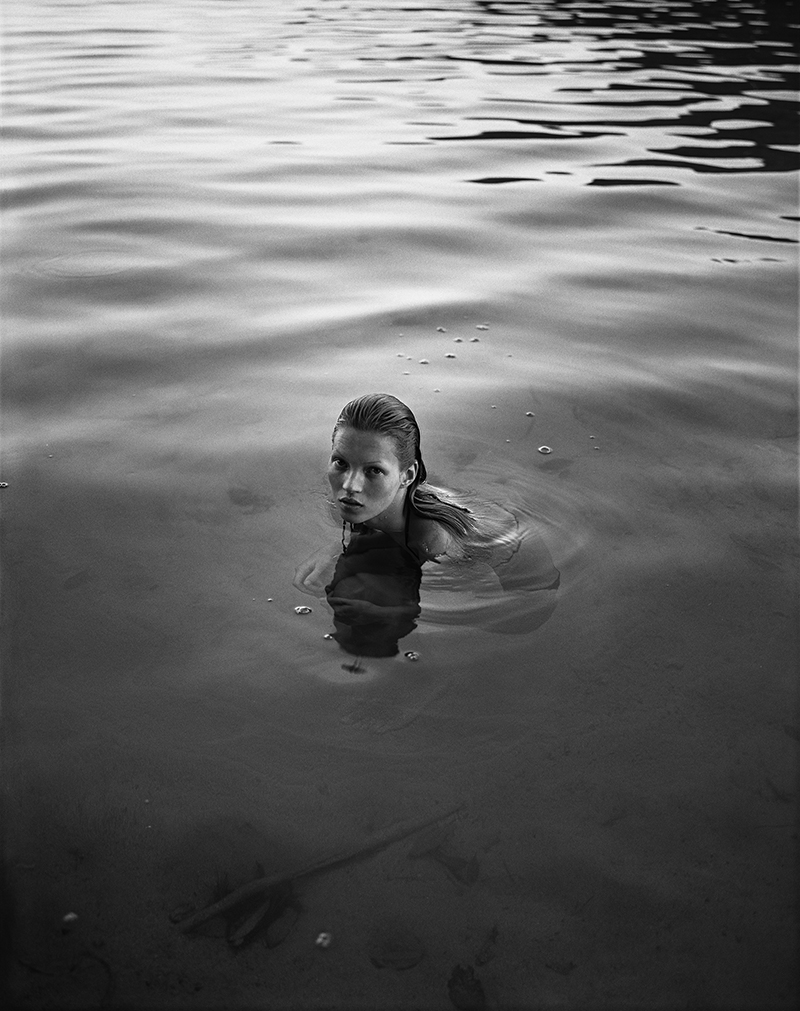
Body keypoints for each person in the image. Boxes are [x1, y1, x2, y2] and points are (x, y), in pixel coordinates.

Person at [294, 393, 560, 643]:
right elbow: (379, 531)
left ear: (407, 476)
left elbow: (529, 606)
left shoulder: (434, 541)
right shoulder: (368, 501)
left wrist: (383, 604)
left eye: (373, 470)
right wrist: (336, 550)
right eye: (341, 463)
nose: (350, 485)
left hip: (534, 596)